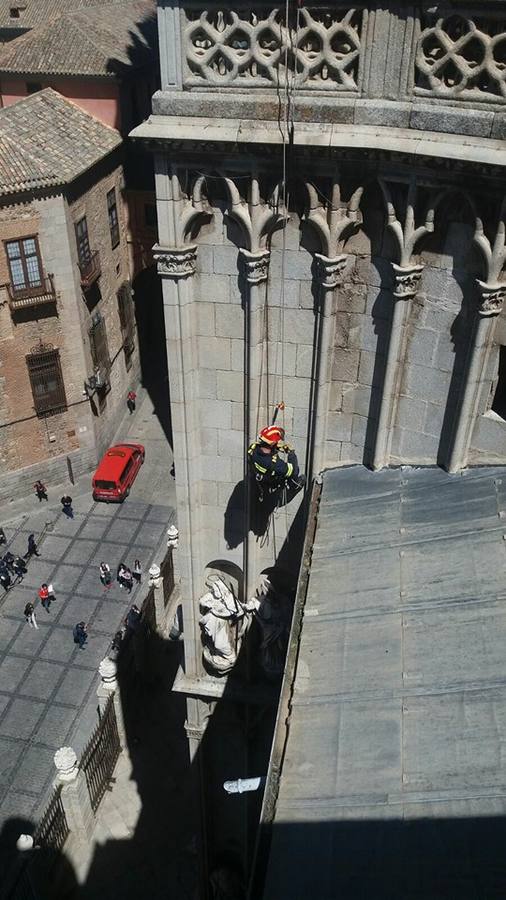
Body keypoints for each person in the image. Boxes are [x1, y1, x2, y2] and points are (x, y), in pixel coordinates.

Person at [247, 425, 305, 500]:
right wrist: (291, 453)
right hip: (271, 481)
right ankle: (295, 485)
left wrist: (276, 447)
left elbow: (265, 448)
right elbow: (293, 470)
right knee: (295, 470)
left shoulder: (253, 448)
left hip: (260, 477)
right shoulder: (275, 464)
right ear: (273, 443)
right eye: (277, 442)